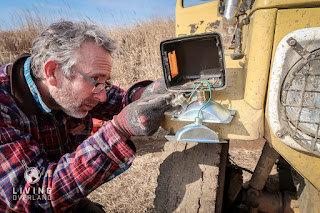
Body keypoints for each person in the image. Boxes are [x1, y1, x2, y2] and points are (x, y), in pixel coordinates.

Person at [0, 20, 171, 212]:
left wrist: (142, 95)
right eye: (95, 81)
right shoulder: (4, 106)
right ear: (52, 72)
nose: (103, 95)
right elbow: (34, 195)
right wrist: (119, 129)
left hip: (69, 201)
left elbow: (115, 99)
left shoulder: (62, 89)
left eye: (105, 82)